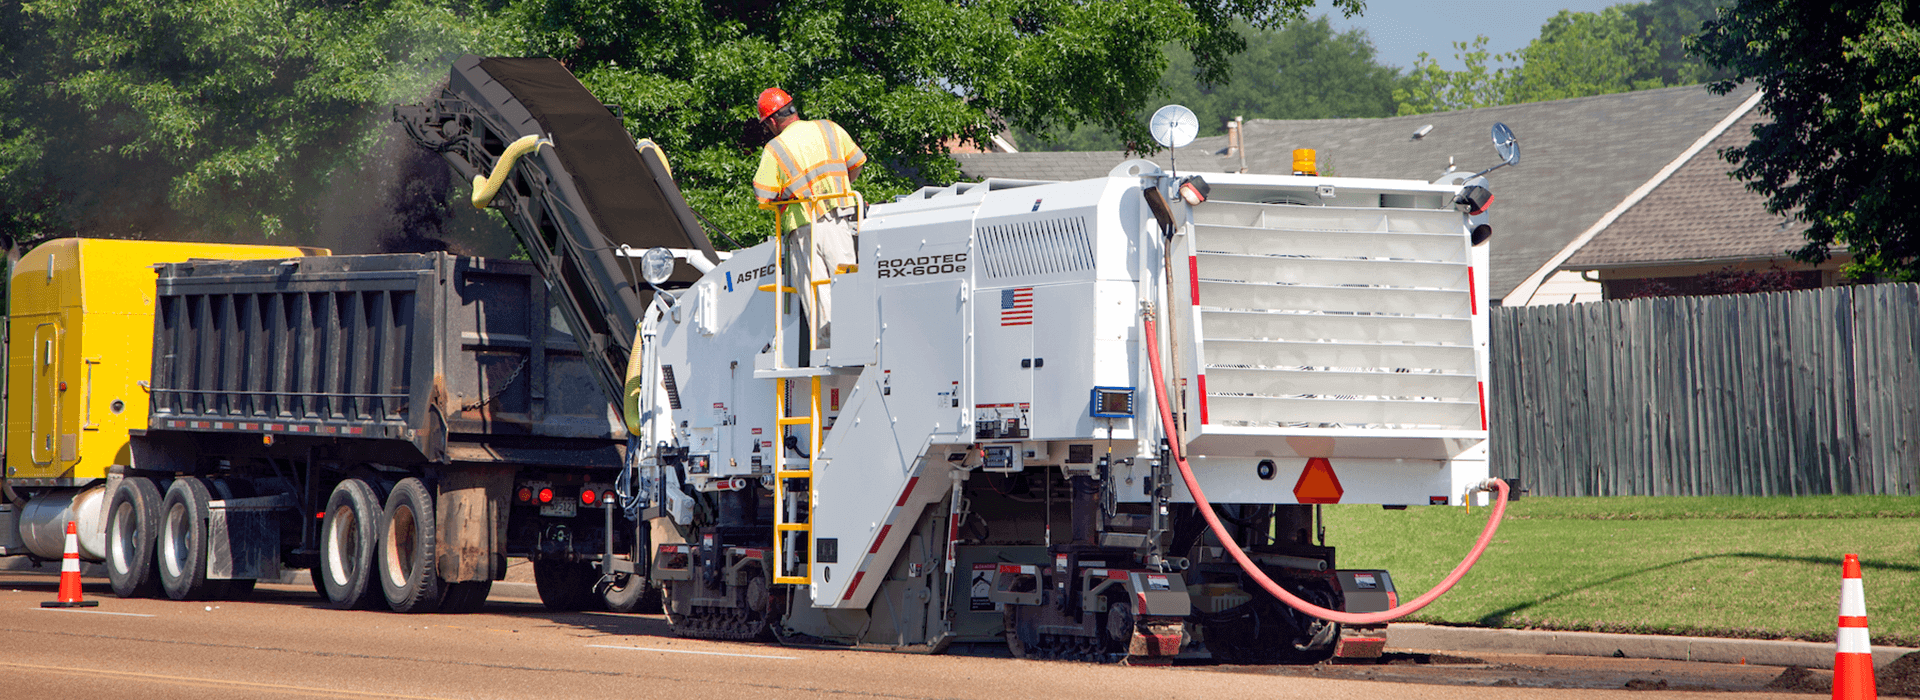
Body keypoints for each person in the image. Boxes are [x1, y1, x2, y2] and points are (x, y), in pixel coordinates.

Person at [751, 87, 865, 350]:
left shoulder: (776, 148)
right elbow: (857, 163)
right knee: (846, 284)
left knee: (818, 296)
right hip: (843, 221)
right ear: (792, 108)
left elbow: (763, 195)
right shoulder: (829, 129)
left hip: (805, 228)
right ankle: (855, 344)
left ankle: (829, 352)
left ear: (770, 121)